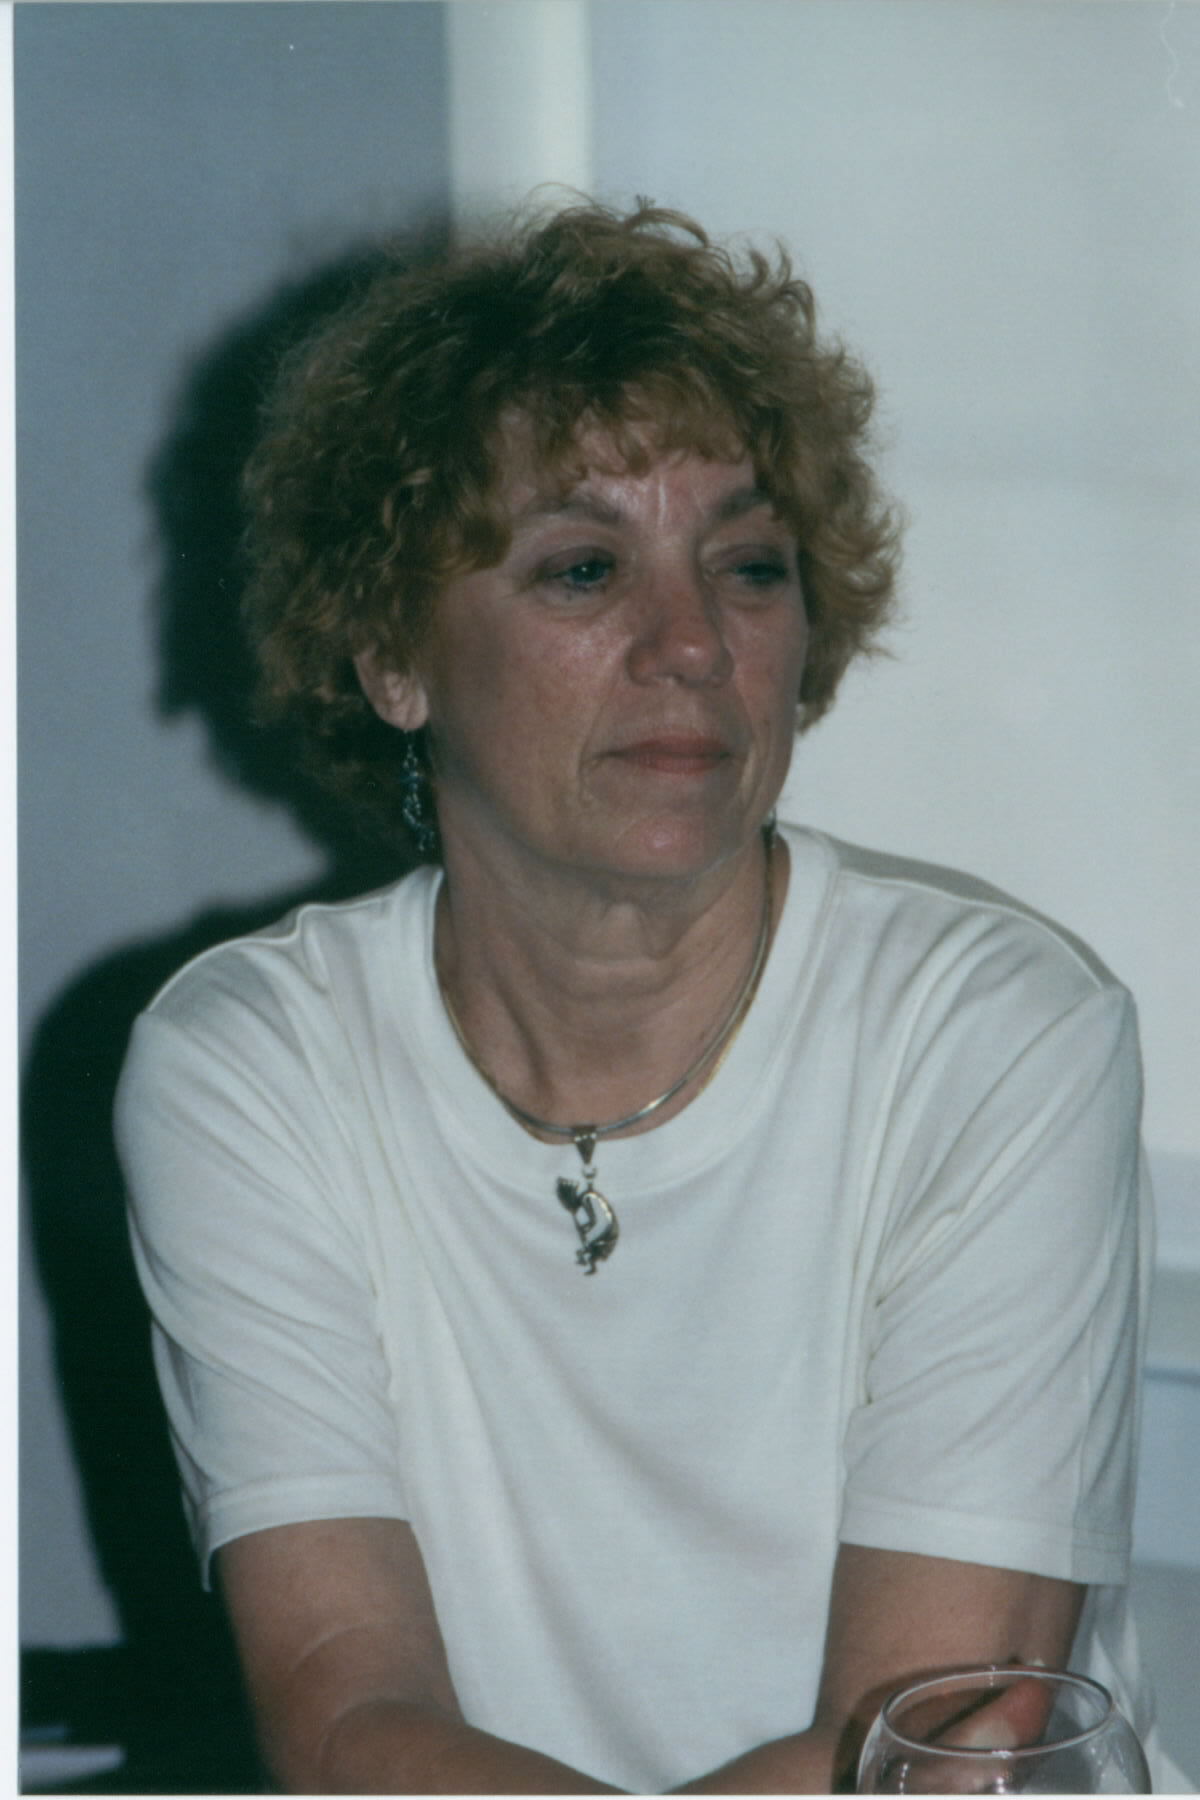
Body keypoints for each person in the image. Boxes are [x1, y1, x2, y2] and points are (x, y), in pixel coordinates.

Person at [116, 201, 1164, 1793]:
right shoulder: (249, 1069)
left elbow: (942, 1743)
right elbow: (344, 1724)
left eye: (748, 566)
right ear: (392, 656)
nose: (691, 645)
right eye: (585, 568)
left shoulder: (1001, 1037)